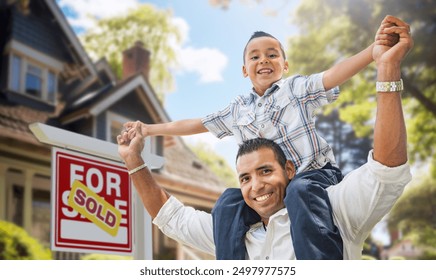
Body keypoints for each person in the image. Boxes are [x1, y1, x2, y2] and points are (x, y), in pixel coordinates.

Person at [118, 15, 413, 260]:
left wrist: (374, 55)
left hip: (314, 179)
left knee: (298, 191)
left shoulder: (295, 89)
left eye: (273, 54)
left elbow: (333, 74)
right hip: (284, 190)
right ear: (245, 70)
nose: (264, 60)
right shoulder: (237, 110)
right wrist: (149, 129)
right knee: (228, 202)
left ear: (285, 65)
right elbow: (194, 124)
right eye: (255, 56)